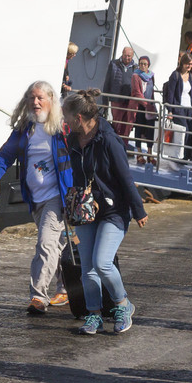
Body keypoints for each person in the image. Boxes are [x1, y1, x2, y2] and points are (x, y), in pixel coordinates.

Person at [63, 88, 148, 335]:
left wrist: (138, 210)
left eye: (67, 117)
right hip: (86, 210)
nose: (64, 122)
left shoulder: (109, 140)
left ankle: (123, 304)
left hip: (114, 210)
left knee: (102, 263)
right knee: (87, 267)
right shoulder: (73, 140)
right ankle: (94, 315)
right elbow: (78, 177)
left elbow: (125, 177)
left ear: (78, 118)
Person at [0, 82, 72, 315]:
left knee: (46, 243)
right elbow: (5, 156)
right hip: (34, 197)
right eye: (31, 98)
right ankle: (66, 287)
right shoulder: (25, 129)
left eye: (40, 98)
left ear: (51, 100)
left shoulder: (61, 128)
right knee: (56, 244)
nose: (35, 102)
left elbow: (78, 156)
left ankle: (38, 296)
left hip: (57, 196)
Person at [164, 56, 192, 162]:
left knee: (189, 131)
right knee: (183, 131)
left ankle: (184, 156)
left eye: (191, 64)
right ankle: (176, 156)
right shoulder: (175, 75)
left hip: (188, 108)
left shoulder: (190, 76)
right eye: (188, 64)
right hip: (178, 108)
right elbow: (170, 94)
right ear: (182, 63)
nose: (190, 66)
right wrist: (170, 110)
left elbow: (191, 94)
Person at [107, 46, 139, 140]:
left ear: (132, 56)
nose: (127, 58)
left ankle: (124, 145)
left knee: (127, 125)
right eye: (125, 55)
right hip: (117, 99)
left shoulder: (135, 67)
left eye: (129, 56)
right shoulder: (113, 64)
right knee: (117, 123)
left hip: (129, 100)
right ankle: (114, 143)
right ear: (122, 54)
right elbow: (107, 81)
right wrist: (105, 100)